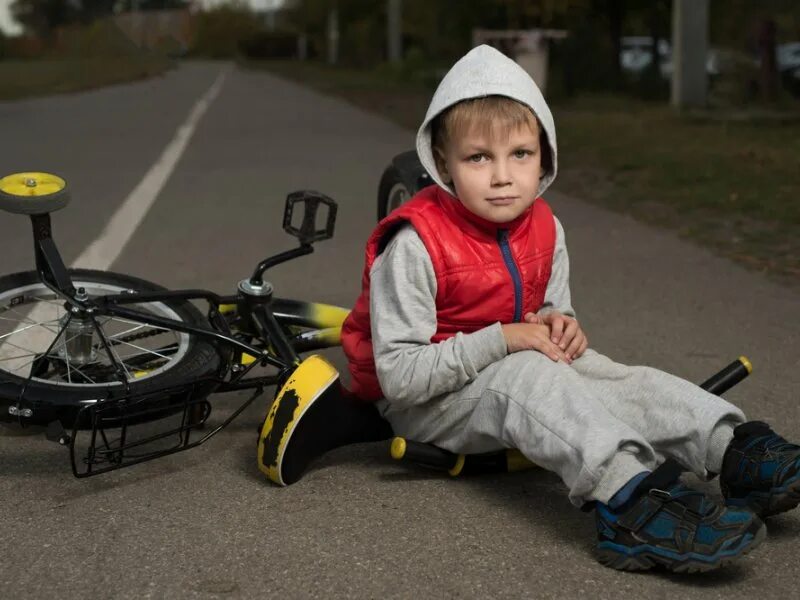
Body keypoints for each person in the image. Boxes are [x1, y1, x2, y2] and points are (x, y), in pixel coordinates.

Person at [340, 45, 800, 572]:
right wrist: (507, 338)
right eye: (478, 158)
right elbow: (398, 377)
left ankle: (733, 451)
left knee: (609, 374)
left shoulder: (544, 226)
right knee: (527, 377)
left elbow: (552, 307)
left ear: (545, 155)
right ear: (442, 163)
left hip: (509, 365)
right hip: (427, 406)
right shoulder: (416, 244)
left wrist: (563, 324)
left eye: (520, 154)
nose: (502, 177)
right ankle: (629, 504)